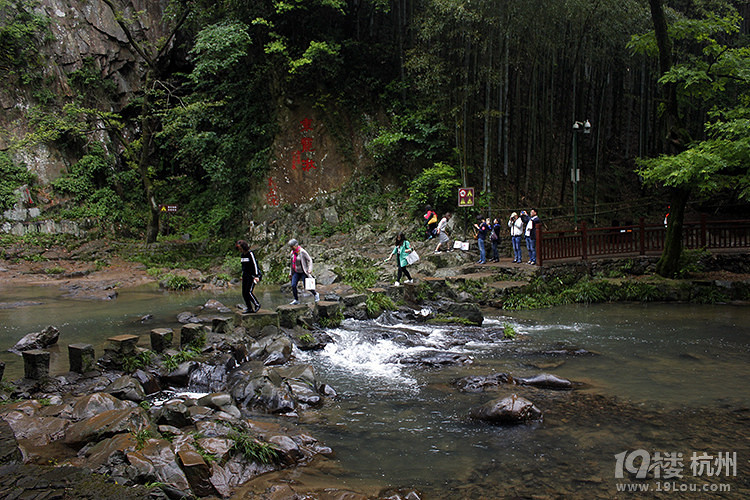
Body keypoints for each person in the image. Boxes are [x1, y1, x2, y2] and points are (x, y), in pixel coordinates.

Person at [288, 238, 319, 304]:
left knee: (307, 286)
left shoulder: (302, 252)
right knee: (293, 285)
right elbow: (292, 264)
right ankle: (296, 300)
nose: (291, 248)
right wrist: (290, 273)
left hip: (303, 272)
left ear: (296, 245)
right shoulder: (292, 253)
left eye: (292, 246)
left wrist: (310, 269)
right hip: (296, 272)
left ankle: (316, 294)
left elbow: (310, 260)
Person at [237, 240, 261, 313]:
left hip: (252, 276)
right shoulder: (242, 255)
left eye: (240, 248)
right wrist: (242, 275)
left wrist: (256, 276)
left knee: (249, 291)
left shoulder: (250, 254)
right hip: (245, 276)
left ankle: (257, 304)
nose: (239, 250)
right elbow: (243, 267)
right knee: (244, 293)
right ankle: (249, 308)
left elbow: (255, 265)